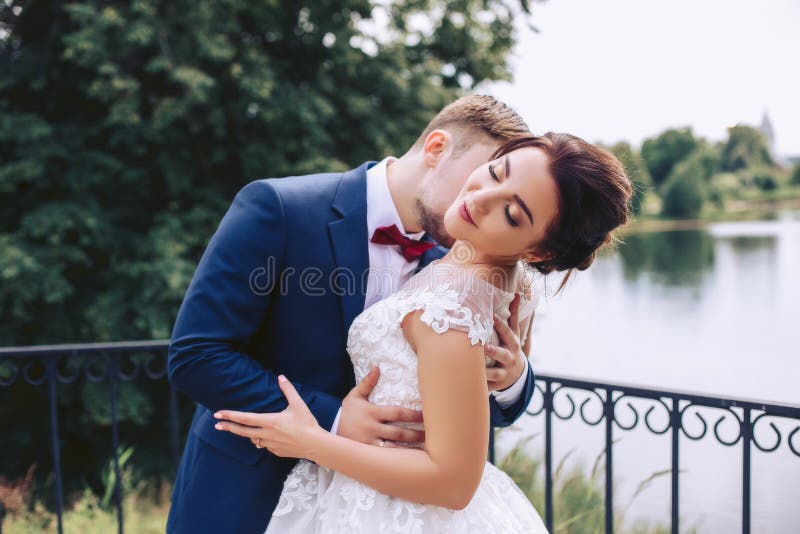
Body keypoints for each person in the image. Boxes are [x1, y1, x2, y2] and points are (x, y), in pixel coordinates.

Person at [214, 133, 633, 533]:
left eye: (512, 213)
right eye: (496, 172)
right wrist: (516, 366)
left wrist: (312, 442)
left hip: (400, 508)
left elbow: (453, 482)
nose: (480, 198)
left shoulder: (450, 308)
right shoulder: (506, 277)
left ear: (540, 251)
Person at [166, 95, 539, 533]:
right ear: (437, 148)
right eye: (484, 174)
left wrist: (512, 380)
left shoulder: (461, 266)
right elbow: (197, 356)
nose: (479, 201)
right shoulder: (279, 208)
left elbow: (468, 422)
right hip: (247, 496)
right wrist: (336, 420)